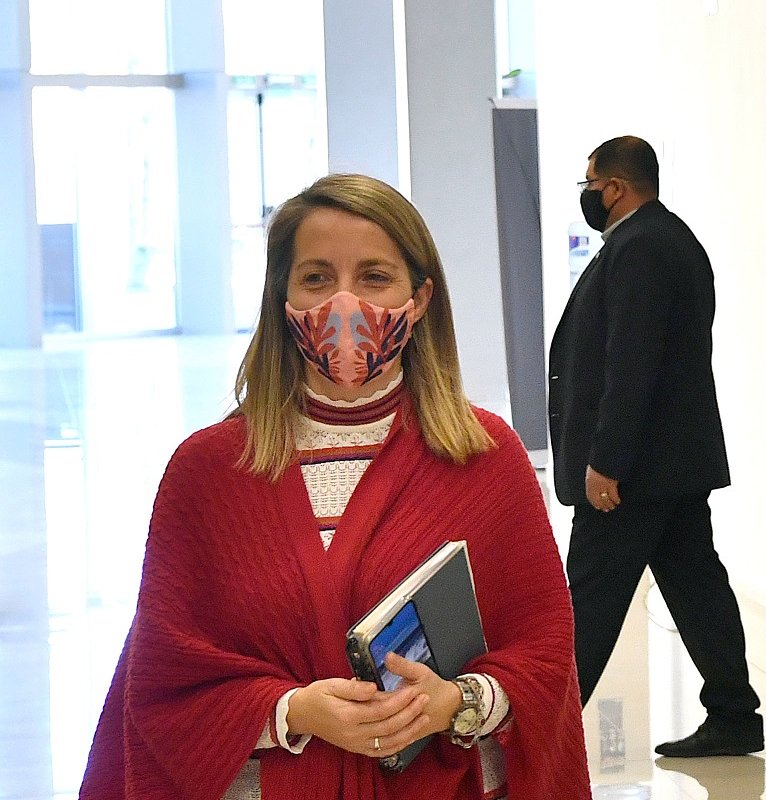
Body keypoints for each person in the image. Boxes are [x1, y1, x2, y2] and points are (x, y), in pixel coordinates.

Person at [79, 174, 589, 798]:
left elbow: (543, 657)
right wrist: (293, 712)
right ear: (282, 297)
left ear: (420, 298)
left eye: (374, 277)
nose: (344, 303)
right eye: (317, 277)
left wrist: (456, 703)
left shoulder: (485, 458)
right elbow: (164, 685)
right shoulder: (207, 472)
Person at [547, 136, 763, 757]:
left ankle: (543, 735)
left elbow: (632, 362)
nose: (587, 195)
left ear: (615, 187)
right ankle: (734, 714)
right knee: (697, 589)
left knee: (588, 602)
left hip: (635, 473)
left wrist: (606, 460)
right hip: (671, 465)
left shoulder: (640, 247)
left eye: (590, 184)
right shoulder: (668, 239)